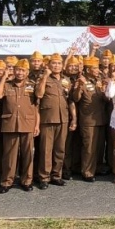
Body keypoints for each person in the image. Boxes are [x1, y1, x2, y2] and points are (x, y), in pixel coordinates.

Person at [0, 59, 40, 193]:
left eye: (23, 71)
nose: (20, 73)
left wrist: (37, 125)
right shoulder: (7, 85)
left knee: (27, 154)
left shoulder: (32, 85)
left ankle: (26, 181)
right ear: (14, 71)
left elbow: (36, 107)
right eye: (18, 70)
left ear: (27, 72)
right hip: (10, 124)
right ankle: (7, 181)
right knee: (9, 155)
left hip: (28, 123)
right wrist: (4, 78)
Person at [35, 53, 75, 189]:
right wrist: (45, 76)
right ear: (48, 65)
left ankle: (56, 175)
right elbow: (39, 94)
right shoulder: (43, 78)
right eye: (54, 63)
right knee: (46, 149)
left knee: (60, 149)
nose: (56, 65)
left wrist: (73, 119)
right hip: (48, 119)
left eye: (59, 63)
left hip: (63, 118)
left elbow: (70, 100)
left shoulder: (66, 80)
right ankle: (44, 177)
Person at [72, 56, 109, 182]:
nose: (97, 70)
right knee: (89, 147)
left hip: (101, 119)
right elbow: (76, 98)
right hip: (88, 120)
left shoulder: (99, 81)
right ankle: (87, 171)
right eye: (94, 68)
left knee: (99, 147)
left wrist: (104, 90)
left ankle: (97, 167)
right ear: (88, 70)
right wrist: (78, 87)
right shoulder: (82, 81)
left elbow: (105, 99)